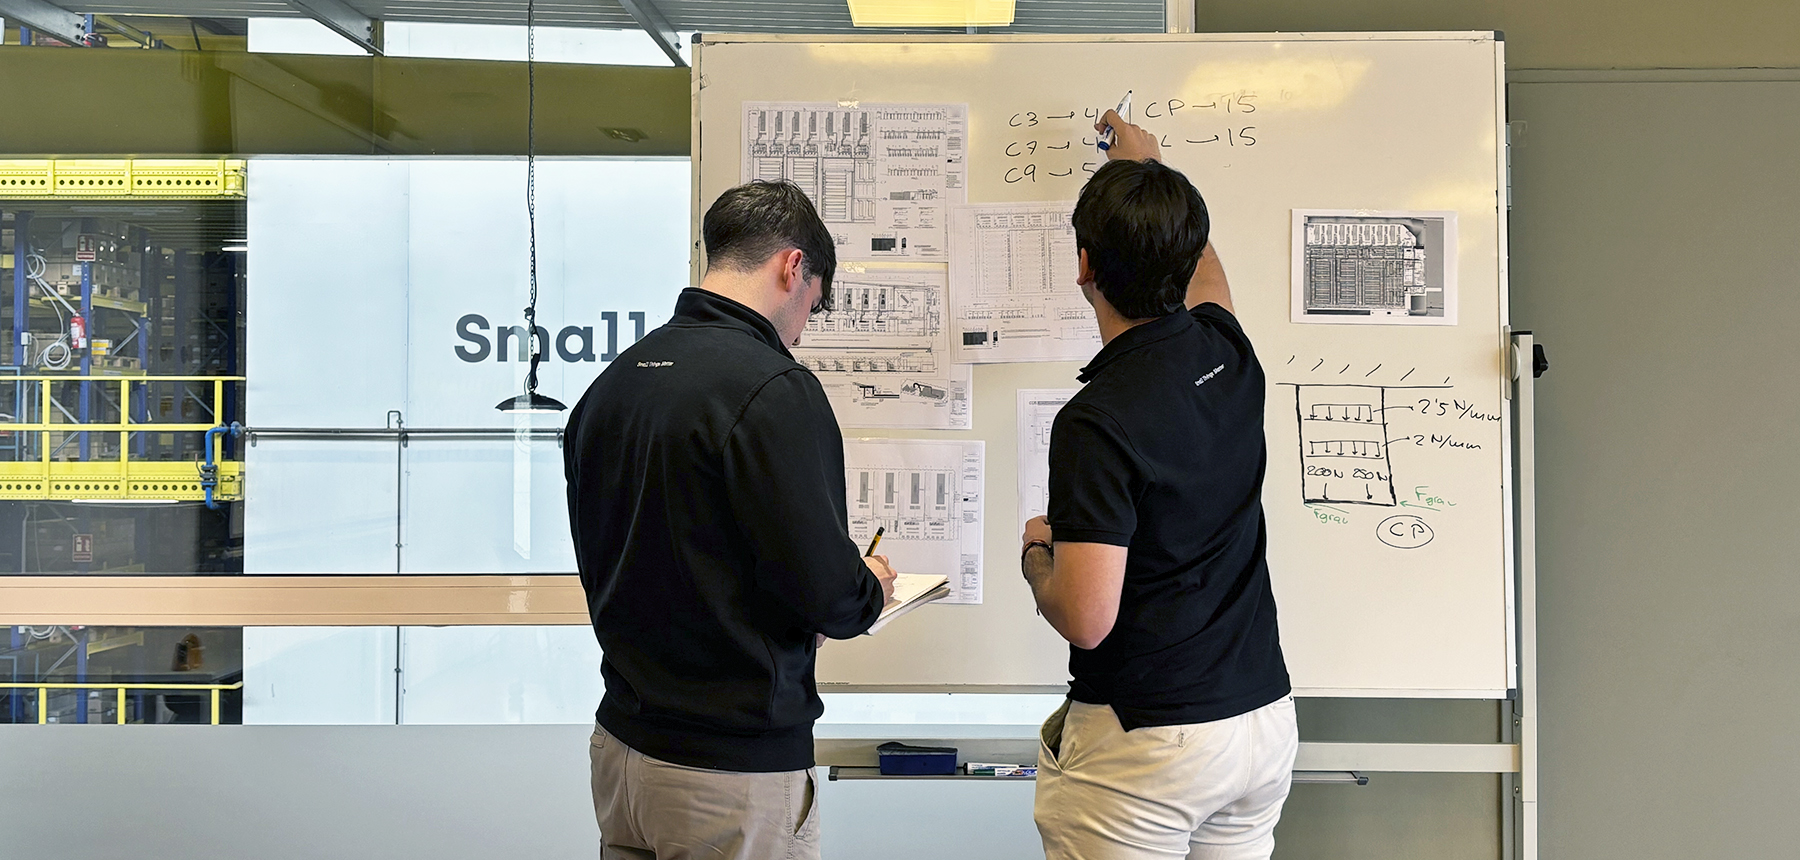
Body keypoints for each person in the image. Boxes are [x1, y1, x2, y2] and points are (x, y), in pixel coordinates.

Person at [564, 179, 899, 860]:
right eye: (814, 304)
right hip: (728, 776)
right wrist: (870, 585)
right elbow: (829, 596)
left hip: (623, 753)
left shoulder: (614, 383)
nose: (802, 329)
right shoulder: (774, 388)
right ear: (793, 267)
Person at [1020, 110, 1298, 860]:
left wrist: (1038, 556)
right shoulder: (1227, 354)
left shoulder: (1097, 420)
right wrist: (1154, 175)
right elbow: (1208, 277)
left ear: (1084, 265)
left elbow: (1086, 619)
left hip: (1149, 746)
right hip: (1259, 724)